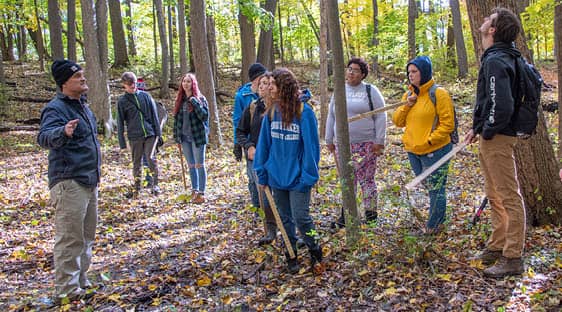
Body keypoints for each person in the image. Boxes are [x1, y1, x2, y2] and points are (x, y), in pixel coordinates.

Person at [465, 8, 526, 278]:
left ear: (493, 30)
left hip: (499, 138)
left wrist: (487, 130)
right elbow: (490, 99)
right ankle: (497, 245)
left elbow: (501, 104)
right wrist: (477, 128)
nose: (484, 20)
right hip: (493, 135)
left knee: (509, 196)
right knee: (495, 195)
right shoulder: (500, 56)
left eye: (489, 19)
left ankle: (513, 257)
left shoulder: (496, 59)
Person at [37, 59, 101, 302]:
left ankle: (80, 284)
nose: (83, 79)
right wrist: (62, 132)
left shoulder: (83, 107)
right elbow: (43, 137)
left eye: (83, 75)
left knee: (86, 237)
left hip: (89, 180)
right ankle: (66, 291)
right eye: (78, 77)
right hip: (68, 182)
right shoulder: (56, 109)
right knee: (69, 239)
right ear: (64, 82)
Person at [254, 68, 322, 274]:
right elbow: (264, 144)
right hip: (277, 177)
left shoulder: (304, 113)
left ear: (283, 87)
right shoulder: (272, 112)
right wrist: (262, 172)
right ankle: (291, 253)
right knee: (284, 219)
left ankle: (315, 248)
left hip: (299, 178)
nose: (269, 89)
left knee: (302, 218)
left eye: (273, 85)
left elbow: (312, 148)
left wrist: (307, 176)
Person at [392, 55, 455, 235]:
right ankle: (437, 219)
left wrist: (430, 140)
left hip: (435, 150)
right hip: (413, 150)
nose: (411, 75)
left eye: (415, 71)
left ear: (424, 72)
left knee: (436, 188)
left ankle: (434, 226)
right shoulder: (409, 94)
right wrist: (407, 104)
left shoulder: (439, 93)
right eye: (409, 72)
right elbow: (397, 121)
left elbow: (447, 124)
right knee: (429, 186)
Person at [325, 57, 386, 226]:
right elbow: (331, 115)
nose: (351, 72)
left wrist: (379, 140)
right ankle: (347, 216)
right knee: (347, 180)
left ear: (363, 74)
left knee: (366, 180)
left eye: (356, 70)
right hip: (343, 144)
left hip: (366, 143)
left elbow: (381, 114)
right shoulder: (339, 90)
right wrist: (328, 138)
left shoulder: (370, 91)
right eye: (349, 69)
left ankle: (371, 216)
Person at [236, 72, 278, 244]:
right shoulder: (253, 107)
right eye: (261, 83)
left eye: (268, 83)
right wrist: (248, 146)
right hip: (255, 157)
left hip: (276, 157)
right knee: (262, 190)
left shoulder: (279, 108)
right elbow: (240, 131)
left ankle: (286, 227)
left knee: (277, 193)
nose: (263, 86)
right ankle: (271, 230)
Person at [117, 72, 161, 196]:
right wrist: (122, 143)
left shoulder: (146, 97)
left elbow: (154, 116)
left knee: (150, 158)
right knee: (137, 162)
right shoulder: (122, 101)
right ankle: (137, 186)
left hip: (150, 134)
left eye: (134, 84)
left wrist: (158, 134)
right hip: (134, 136)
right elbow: (120, 122)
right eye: (129, 84)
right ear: (124, 85)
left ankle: (155, 184)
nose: (132, 86)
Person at [173, 73, 209, 204]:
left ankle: (201, 192)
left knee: (199, 164)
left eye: (188, 82)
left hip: (197, 136)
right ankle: (194, 189)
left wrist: (194, 102)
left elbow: (204, 117)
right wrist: (176, 137)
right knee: (191, 165)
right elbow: (176, 120)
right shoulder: (180, 100)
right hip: (184, 137)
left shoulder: (200, 99)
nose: (186, 84)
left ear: (193, 84)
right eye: (184, 82)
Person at [233, 63, 267, 162]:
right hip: (250, 142)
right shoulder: (242, 96)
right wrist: (237, 143)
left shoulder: (268, 93)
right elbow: (238, 121)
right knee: (253, 173)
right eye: (261, 77)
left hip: (266, 140)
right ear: (255, 79)